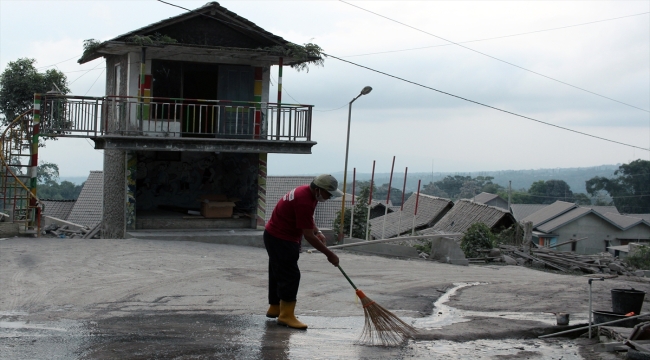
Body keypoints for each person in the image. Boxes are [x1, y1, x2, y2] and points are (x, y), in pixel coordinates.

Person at [264, 174, 342, 329]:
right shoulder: (304, 200)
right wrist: (330, 254)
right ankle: (286, 316)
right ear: (319, 189)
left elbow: (306, 219)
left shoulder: (306, 192)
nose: (329, 198)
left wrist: (318, 231)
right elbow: (308, 236)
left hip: (274, 235)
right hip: (282, 238)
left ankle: (275, 307)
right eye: (329, 194)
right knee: (290, 275)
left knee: (277, 271)